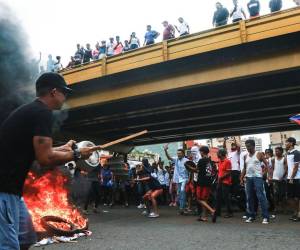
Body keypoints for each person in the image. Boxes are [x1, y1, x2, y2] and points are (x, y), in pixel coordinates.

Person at [0, 72, 94, 249]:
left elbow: (39, 152)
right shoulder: (43, 113)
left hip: (12, 190)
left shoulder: (32, 110)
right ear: (53, 92)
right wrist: (78, 155)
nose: (65, 97)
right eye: (64, 92)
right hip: (3, 190)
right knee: (8, 246)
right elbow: (45, 158)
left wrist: (65, 148)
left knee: (26, 238)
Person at [240, 139, 270, 224]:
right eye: (246, 146)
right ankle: (251, 216)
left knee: (261, 196)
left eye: (249, 146)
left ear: (253, 146)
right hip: (248, 178)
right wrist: (241, 178)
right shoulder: (246, 156)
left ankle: (265, 217)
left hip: (257, 178)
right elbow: (245, 168)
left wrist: (265, 173)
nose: (247, 148)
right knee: (249, 197)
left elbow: (267, 164)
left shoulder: (259, 154)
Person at [185, 146, 217, 222]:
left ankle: (212, 211)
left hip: (201, 182)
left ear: (202, 152)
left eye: (200, 151)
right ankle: (204, 217)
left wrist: (188, 166)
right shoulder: (209, 161)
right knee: (204, 199)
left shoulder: (201, 160)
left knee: (199, 199)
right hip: (208, 182)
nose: (200, 153)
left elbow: (196, 170)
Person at [164, 145, 189, 214]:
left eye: (180, 153)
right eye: (177, 153)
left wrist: (190, 179)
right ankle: (184, 206)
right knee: (179, 194)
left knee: (182, 192)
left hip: (184, 179)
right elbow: (169, 157)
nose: (178, 155)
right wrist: (165, 150)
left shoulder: (187, 160)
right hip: (177, 179)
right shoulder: (176, 159)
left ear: (183, 154)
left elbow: (190, 170)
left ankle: (182, 208)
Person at [285, 137, 300, 222]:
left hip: (297, 178)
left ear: (291, 143)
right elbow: (288, 166)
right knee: (290, 197)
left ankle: (298, 214)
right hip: (289, 178)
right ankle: (296, 212)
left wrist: (291, 177)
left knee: (298, 197)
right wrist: (287, 176)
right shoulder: (287, 153)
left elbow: (296, 167)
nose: (285, 144)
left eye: (286, 142)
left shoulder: (297, 153)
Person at [215, 148, 233, 218]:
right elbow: (219, 172)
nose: (217, 154)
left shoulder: (227, 161)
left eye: (218, 153)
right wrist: (218, 179)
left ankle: (230, 212)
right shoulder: (220, 161)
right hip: (219, 182)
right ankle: (218, 212)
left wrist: (221, 178)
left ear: (221, 154)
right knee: (218, 197)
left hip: (225, 182)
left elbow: (229, 172)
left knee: (226, 198)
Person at [271, 146, 288, 214]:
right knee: (275, 194)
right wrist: (271, 176)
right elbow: (272, 168)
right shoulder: (273, 159)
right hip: (275, 179)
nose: (276, 152)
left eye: (277, 151)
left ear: (281, 151)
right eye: (275, 151)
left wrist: (282, 177)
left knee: (283, 195)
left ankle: (284, 209)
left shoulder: (284, 159)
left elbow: (286, 169)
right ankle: (276, 208)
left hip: (283, 179)